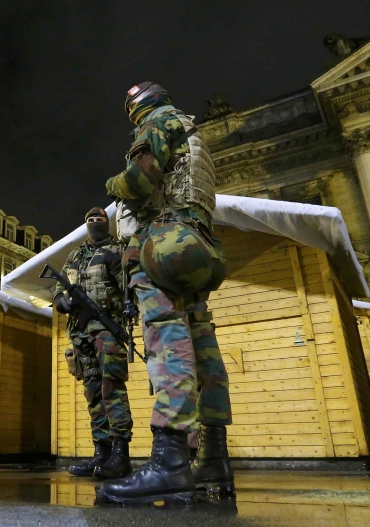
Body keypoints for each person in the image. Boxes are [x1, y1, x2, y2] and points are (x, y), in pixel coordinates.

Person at [97, 82, 232, 505]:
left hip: (164, 243)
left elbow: (138, 182)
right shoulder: (193, 134)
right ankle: (214, 457)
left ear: (135, 107)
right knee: (202, 344)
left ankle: (170, 462)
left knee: (167, 339)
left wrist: (113, 182)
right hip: (199, 244)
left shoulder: (157, 124)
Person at [53, 208, 133, 480]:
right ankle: (101, 453)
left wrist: (117, 265)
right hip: (79, 331)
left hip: (106, 328)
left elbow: (127, 290)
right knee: (92, 392)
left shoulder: (117, 250)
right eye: (90, 220)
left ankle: (121, 454)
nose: (95, 223)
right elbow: (59, 285)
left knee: (112, 387)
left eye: (100, 220)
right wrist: (60, 300)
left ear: (107, 224)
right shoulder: (75, 255)